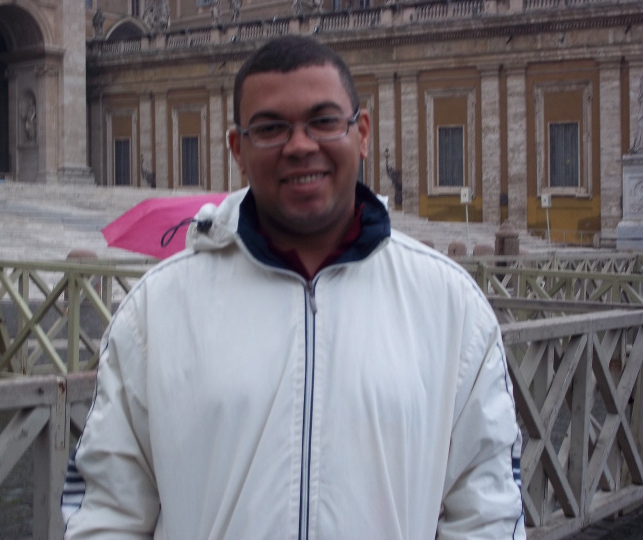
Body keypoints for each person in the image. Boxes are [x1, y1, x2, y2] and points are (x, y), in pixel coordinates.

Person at [62, 35, 525, 539]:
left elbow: (488, 514)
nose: (300, 145)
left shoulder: (452, 307)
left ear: (362, 133)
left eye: (323, 121)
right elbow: (106, 512)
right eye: (270, 128)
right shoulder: (153, 312)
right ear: (238, 149)